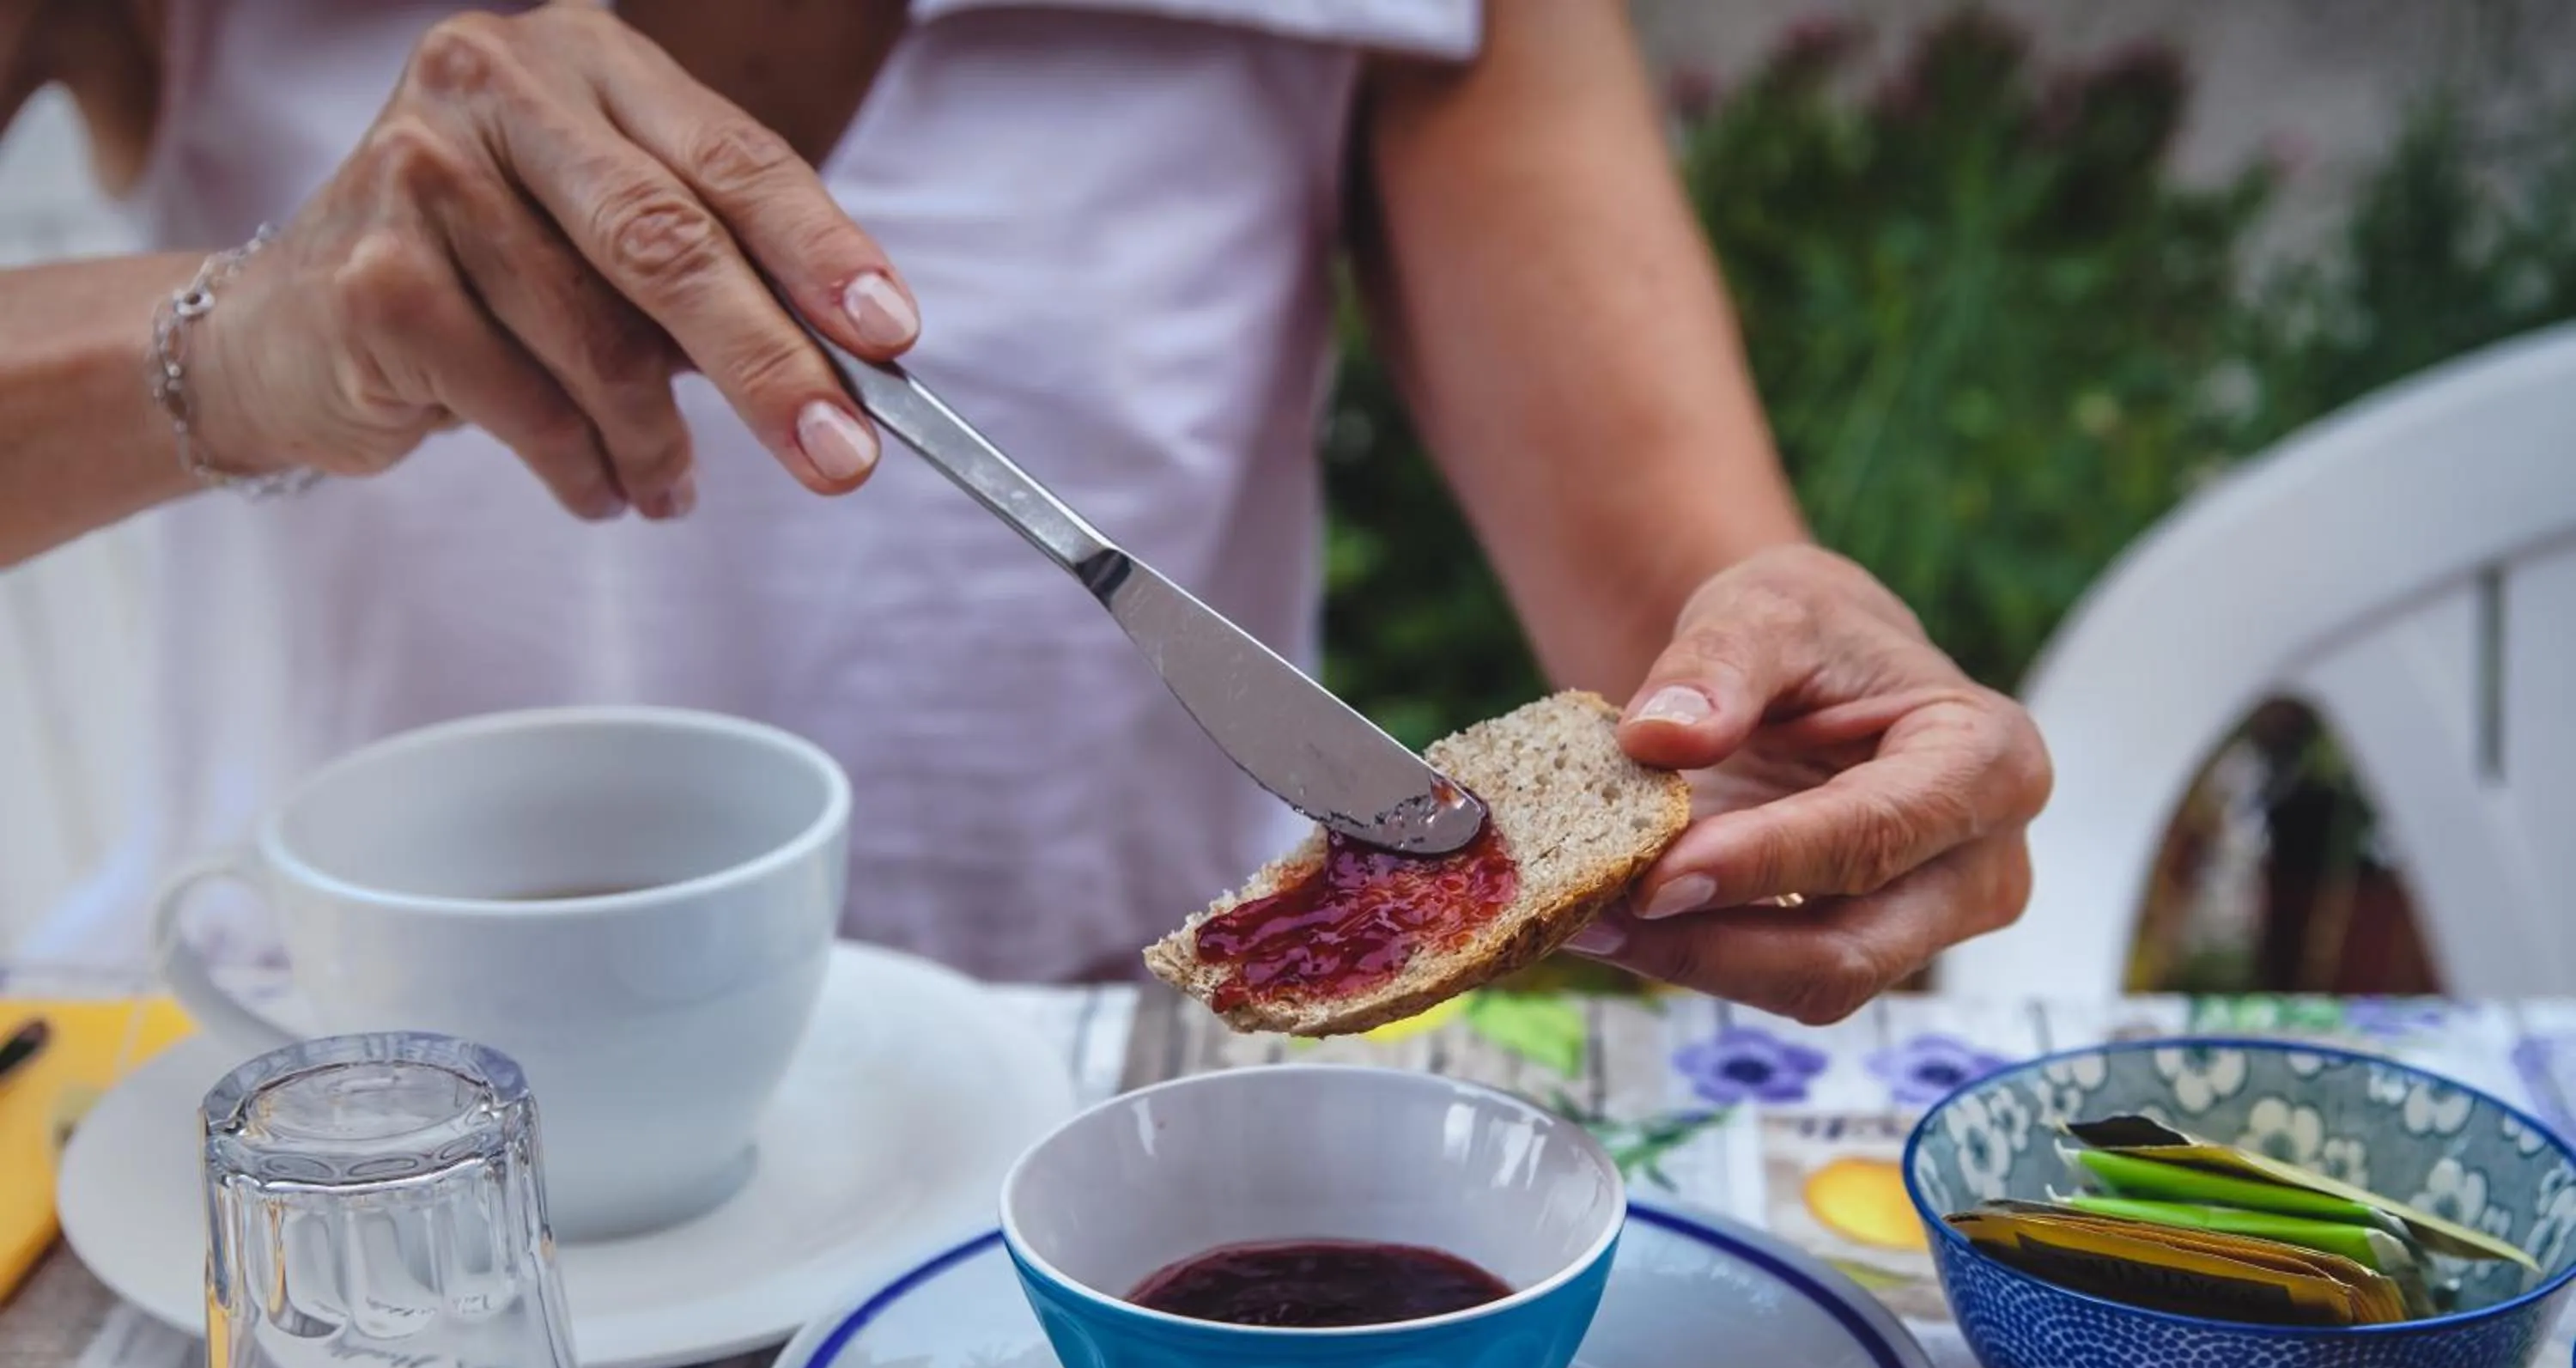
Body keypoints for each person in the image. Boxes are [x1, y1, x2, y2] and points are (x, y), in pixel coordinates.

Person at [0, 0, 2047, 1020]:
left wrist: (1778, 709)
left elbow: (1688, 617)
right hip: (325, 1103)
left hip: (1093, 1114)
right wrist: (232, 340)